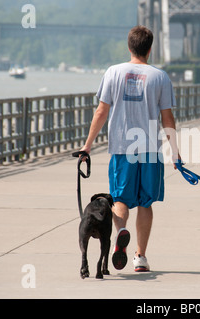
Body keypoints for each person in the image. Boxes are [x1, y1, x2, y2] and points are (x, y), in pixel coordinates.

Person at [78, 25, 180, 272]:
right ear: (150, 48)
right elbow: (168, 118)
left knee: (120, 199)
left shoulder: (113, 72)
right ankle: (140, 257)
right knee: (146, 202)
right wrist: (175, 152)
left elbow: (101, 112)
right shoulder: (160, 77)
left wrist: (87, 146)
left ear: (129, 46)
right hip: (150, 149)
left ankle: (121, 231)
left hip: (123, 148)